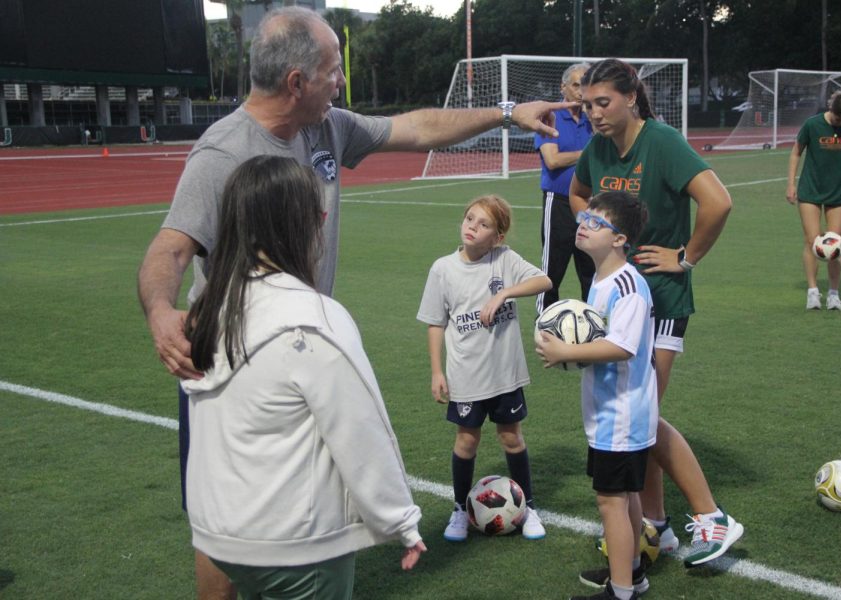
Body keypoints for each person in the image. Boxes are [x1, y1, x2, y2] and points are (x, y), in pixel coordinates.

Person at [136, 7, 572, 597]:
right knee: (222, 515)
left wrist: (503, 115)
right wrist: (162, 313)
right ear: (297, 81)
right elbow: (170, 248)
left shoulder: (326, 126)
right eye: (333, 69)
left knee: (309, 498)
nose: (341, 80)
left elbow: (414, 128)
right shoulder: (222, 153)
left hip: (303, 342)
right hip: (236, 355)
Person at [181, 155, 425, 599]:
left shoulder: (212, 308)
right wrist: (400, 520)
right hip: (294, 542)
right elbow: (360, 430)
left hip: (221, 533)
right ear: (304, 223)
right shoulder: (313, 319)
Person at [569, 59, 742, 568]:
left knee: (640, 416)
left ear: (630, 98)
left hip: (661, 299)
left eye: (603, 103)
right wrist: (595, 238)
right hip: (625, 301)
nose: (594, 114)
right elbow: (578, 192)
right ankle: (657, 527)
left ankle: (712, 517)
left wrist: (685, 257)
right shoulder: (599, 148)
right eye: (587, 104)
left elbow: (718, 202)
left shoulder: (661, 142)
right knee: (634, 420)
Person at [536, 191, 657, 600]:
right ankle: (633, 574)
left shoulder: (628, 284)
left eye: (595, 223)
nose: (583, 225)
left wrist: (566, 352)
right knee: (625, 498)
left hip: (622, 415)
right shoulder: (602, 281)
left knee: (611, 503)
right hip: (609, 412)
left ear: (620, 238)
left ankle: (621, 591)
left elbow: (623, 347)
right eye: (584, 218)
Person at [416, 195, 552, 542]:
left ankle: (530, 507)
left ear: (498, 237)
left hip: (504, 373)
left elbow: (544, 282)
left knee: (511, 437)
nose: (472, 227)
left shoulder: (504, 260)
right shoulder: (442, 269)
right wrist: (436, 371)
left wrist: (504, 293)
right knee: (466, 441)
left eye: (484, 224)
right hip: (466, 375)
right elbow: (435, 323)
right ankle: (461, 510)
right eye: (470, 219)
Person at [786, 90, 841, 311]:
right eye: (839, 119)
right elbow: (796, 152)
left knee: (836, 242)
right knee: (812, 241)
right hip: (810, 190)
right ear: (831, 109)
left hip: (838, 192)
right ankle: (813, 292)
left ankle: (833, 293)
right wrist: (791, 184)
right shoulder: (812, 125)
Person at [534, 62, 595, 313]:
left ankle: (595, 326)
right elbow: (553, 160)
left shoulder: (596, 118)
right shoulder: (550, 117)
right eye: (577, 85)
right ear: (564, 87)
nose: (582, 91)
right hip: (558, 202)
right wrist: (590, 152)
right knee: (551, 272)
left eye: (587, 85)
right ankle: (544, 324)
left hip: (592, 205)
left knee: (592, 272)